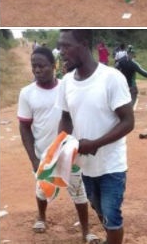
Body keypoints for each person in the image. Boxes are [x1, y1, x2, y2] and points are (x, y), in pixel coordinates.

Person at [57, 29, 134, 244]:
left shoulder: (111, 78)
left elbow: (128, 122)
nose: (61, 51)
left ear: (83, 44)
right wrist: (60, 145)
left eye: (66, 46)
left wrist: (95, 144)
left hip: (112, 165)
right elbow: (66, 118)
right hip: (85, 166)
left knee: (112, 216)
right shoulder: (66, 82)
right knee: (100, 211)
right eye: (59, 46)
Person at [17, 47, 94, 241]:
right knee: (42, 188)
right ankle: (41, 216)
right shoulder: (27, 93)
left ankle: (86, 231)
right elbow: (24, 128)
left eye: (42, 66)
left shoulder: (67, 88)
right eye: (34, 66)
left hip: (69, 152)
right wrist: (34, 158)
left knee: (78, 190)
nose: (37, 70)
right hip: (44, 154)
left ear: (54, 65)